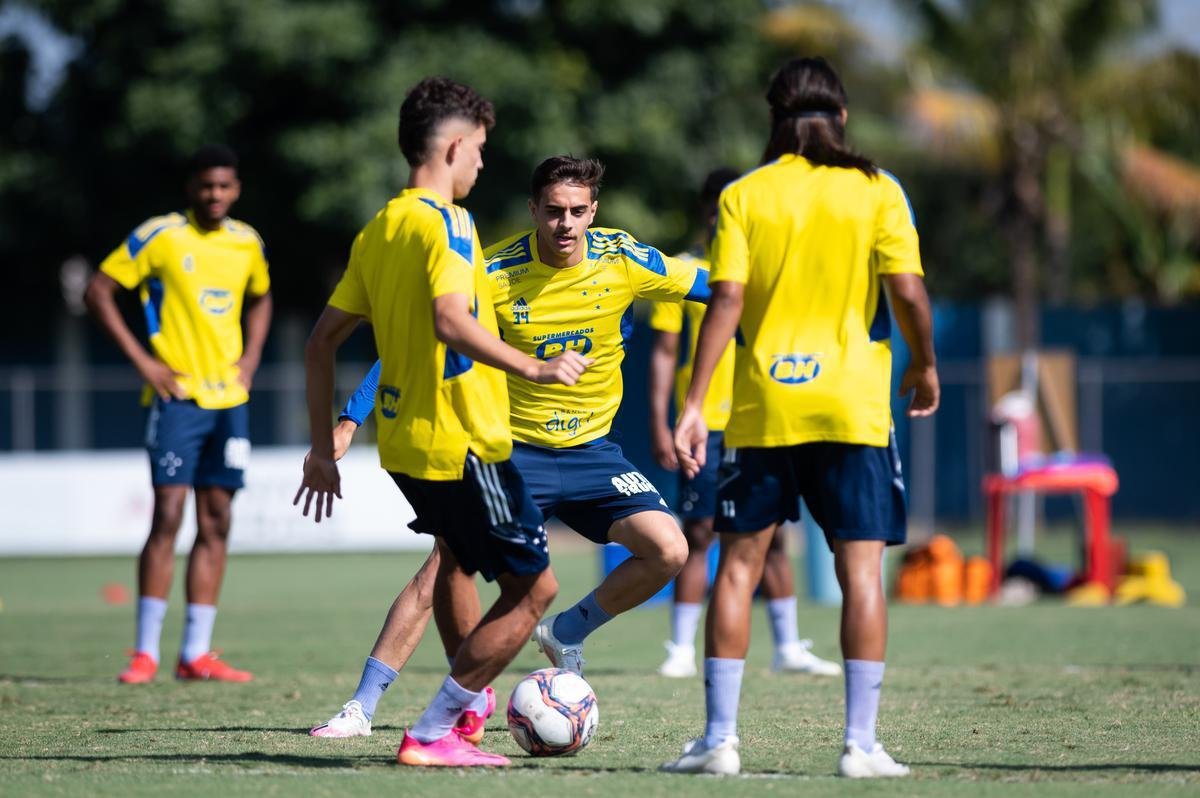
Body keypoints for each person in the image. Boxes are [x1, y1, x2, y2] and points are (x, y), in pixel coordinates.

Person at [294, 77, 588, 767]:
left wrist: (322, 446)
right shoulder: (448, 222)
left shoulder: (381, 227)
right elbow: (450, 320)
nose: (482, 164)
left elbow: (319, 343)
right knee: (535, 587)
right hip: (464, 443)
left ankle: (461, 712)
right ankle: (434, 731)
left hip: (403, 445)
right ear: (455, 145)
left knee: (456, 567)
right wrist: (536, 368)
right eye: (480, 149)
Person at [660, 57, 939, 778]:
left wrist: (694, 405)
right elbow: (907, 289)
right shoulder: (878, 189)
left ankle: (719, 741)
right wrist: (924, 362)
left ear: (774, 120)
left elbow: (723, 301)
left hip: (762, 407)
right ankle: (861, 746)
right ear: (841, 116)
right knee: (863, 574)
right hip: (851, 404)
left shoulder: (746, 194)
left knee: (736, 568)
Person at [329, 156, 704, 687]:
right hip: (513, 453)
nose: (565, 224)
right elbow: (411, 340)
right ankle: (361, 705)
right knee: (445, 565)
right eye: (553, 211)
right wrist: (350, 419)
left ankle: (567, 632)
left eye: (577, 211)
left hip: (594, 453)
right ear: (534, 210)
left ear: (593, 212)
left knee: (669, 550)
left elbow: (718, 288)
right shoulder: (493, 272)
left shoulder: (624, 258)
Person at [85, 144, 272, 684]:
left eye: (225, 186)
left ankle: (195, 653)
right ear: (191, 187)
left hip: (229, 402)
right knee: (167, 514)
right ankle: (144, 651)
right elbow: (100, 290)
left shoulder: (247, 242)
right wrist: (144, 362)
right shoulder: (160, 235)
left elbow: (262, 297)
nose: (215, 195)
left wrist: (252, 357)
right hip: (176, 399)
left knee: (216, 521)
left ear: (236, 189)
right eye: (206, 185)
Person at [648, 167, 841, 679]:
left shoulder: (764, 267)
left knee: (772, 535)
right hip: (706, 425)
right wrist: (660, 421)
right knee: (700, 531)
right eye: (719, 211)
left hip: (761, 419)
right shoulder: (685, 272)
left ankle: (788, 647)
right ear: (710, 213)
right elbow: (665, 353)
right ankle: (680, 649)